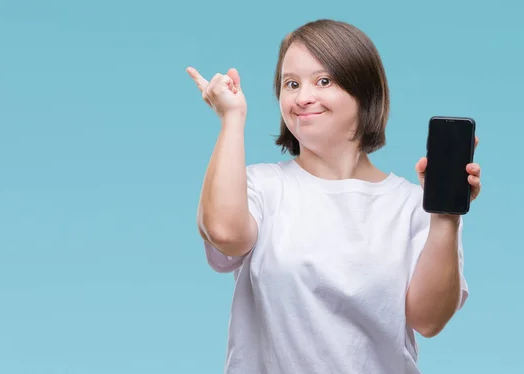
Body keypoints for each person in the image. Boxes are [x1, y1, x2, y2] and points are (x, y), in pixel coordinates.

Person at [186, 19, 481, 374]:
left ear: (364, 91)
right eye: (290, 84)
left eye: (323, 81)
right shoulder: (262, 186)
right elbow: (225, 233)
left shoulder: (412, 206)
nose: (302, 97)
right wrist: (232, 118)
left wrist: (446, 217)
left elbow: (428, 319)